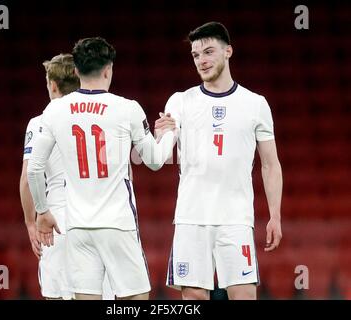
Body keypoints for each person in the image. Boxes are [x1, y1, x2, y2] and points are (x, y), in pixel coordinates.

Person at [26, 37, 176, 300]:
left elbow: (34, 170)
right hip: (118, 224)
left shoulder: (55, 111)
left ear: (76, 71)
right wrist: (169, 134)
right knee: (136, 300)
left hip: (77, 226)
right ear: (109, 69)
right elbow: (154, 161)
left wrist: (42, 211)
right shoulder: (127, 108)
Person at [156, 22, 283, 300]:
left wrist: (275, 214)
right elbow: (160, 156)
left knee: (244, 296)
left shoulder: (255, 103)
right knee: (194, 298)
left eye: (209, 52)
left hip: (236, 217)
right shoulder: (180, 101)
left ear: (228, 51)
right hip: (192, 217)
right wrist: (159, 136)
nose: (201, 61)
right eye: (195, 55)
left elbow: (270, 164)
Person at [19, 53, 114, 299]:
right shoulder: (102, 116)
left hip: (56, 219)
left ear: (52, 85)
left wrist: (31, 222)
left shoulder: (39, 123)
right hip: (97, 216)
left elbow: (28, 178)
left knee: (57, 295)